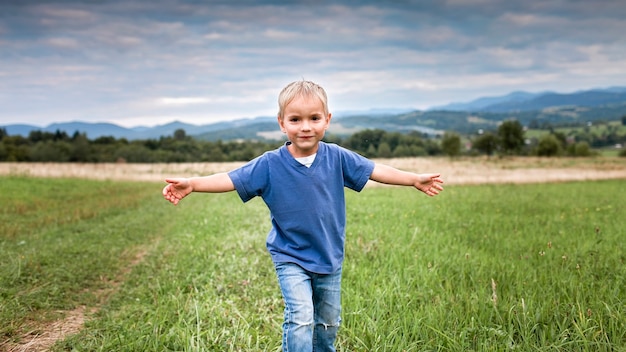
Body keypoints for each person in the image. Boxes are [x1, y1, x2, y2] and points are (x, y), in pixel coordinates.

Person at [162, 80, 444, 351]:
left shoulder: (337, 157)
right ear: (281, 123)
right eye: (295, 119)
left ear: (327, 120)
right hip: (290, 256)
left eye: (314, 118)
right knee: (301, 318)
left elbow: (375, 170)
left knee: (328, 323)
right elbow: (231, 179)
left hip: (329, 256)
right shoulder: (270, 164)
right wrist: (193, 183)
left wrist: (413, 179)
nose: (305, 127)